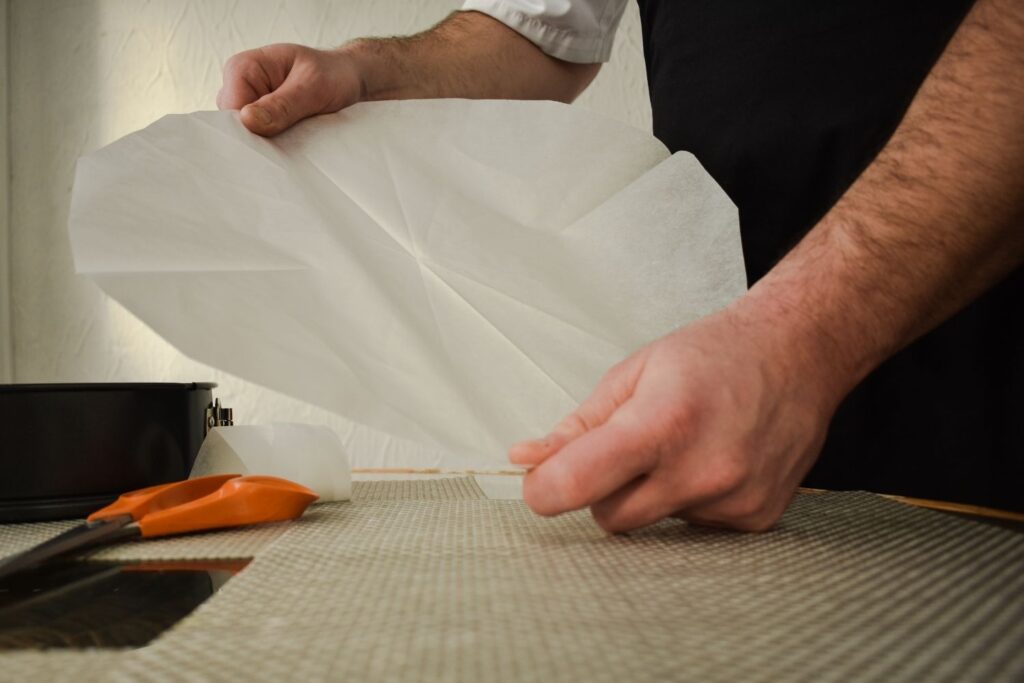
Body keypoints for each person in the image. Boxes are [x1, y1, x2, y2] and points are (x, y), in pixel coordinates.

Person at [218, 0, 1023, 531]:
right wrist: (365, 70)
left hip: (971, 330)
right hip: (721, 369)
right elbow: (539, 30)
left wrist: (805, 333)